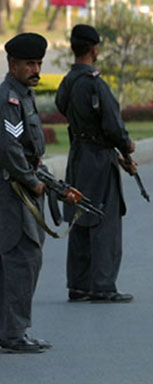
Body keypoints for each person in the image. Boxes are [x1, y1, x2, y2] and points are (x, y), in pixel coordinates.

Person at [55, 24, 137, 304]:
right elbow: (113, 125)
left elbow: (61, 106)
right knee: (104, 221)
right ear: (94, 48)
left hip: (77, 156)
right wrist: (126, 146)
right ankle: (102, 285)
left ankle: (78, 285)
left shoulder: (67, 81)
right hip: (100, 160)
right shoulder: (95, 83)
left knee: (80, 217)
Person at [0, 33, 52, 353]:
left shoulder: (24, 95)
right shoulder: (9, 98)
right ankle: (14, 333)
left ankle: (10, 329)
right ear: (12, 64)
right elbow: (8, 146)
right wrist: (32, 181)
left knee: (18, 258)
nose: (35, 69)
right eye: (29, 63)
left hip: (22, 183)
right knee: (22, 257)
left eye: (38, 63)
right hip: (14, 189)